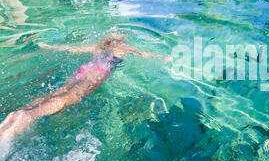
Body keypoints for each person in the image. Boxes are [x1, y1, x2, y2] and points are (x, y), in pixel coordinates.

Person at [0, 33, 172, 141]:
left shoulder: (97, 46)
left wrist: (49, 46)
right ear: (120, 40)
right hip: (98, 71)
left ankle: (18, 113)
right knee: (68, 97)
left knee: (57, 92)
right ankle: (30, 116)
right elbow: (143, 53)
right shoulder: (121, 47)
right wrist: (163, 59)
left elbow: (71, 48)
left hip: (83, 70)